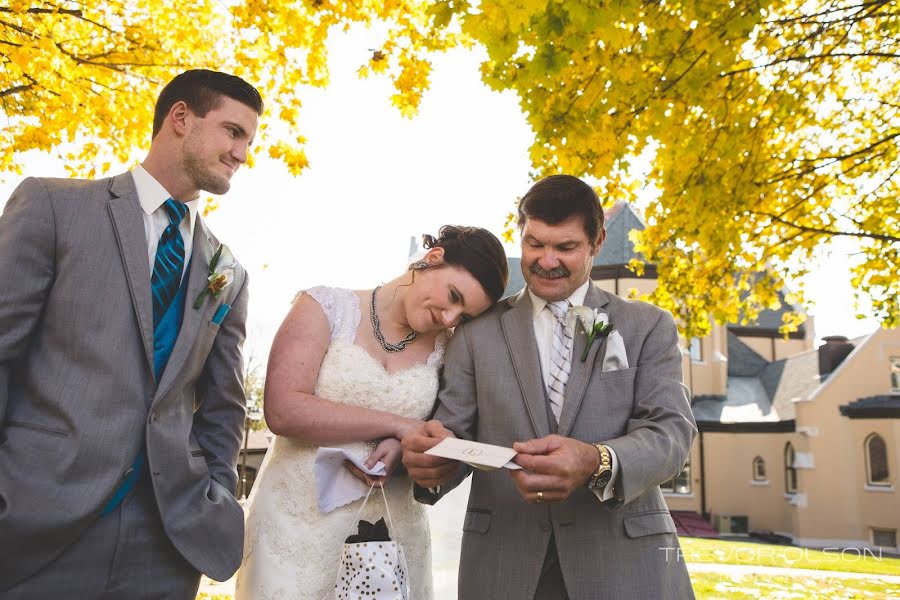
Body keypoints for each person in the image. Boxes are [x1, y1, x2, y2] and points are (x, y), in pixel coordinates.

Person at [0, 69, 262, 598]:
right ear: (181, 118)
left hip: (168, 541)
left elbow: (223, 406)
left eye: (249, 141)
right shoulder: (54, 206)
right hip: (37, 519)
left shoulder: (227, 269)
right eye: (233, 132)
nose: (242, 153)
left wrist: (214, 490)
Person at [402, 175, 697, 599]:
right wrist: (435, 463)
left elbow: (671, 434)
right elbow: (454, 435)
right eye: (535, 243)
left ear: (597, 242)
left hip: (623, 565)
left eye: (565, 247)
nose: (546, 260)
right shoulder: (474, 333)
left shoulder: (648, 326)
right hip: (504, 563)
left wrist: (596, 461)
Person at [234, 226, 508, 600]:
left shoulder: (451, 348)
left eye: (463, 315)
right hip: (295, 527)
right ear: (433, 258)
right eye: (453, 296)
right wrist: (399, 425)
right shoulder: (324, 307)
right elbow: (283, 410)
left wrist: (404, 446)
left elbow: (446, 429)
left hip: (391, 534)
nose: (449, 318)